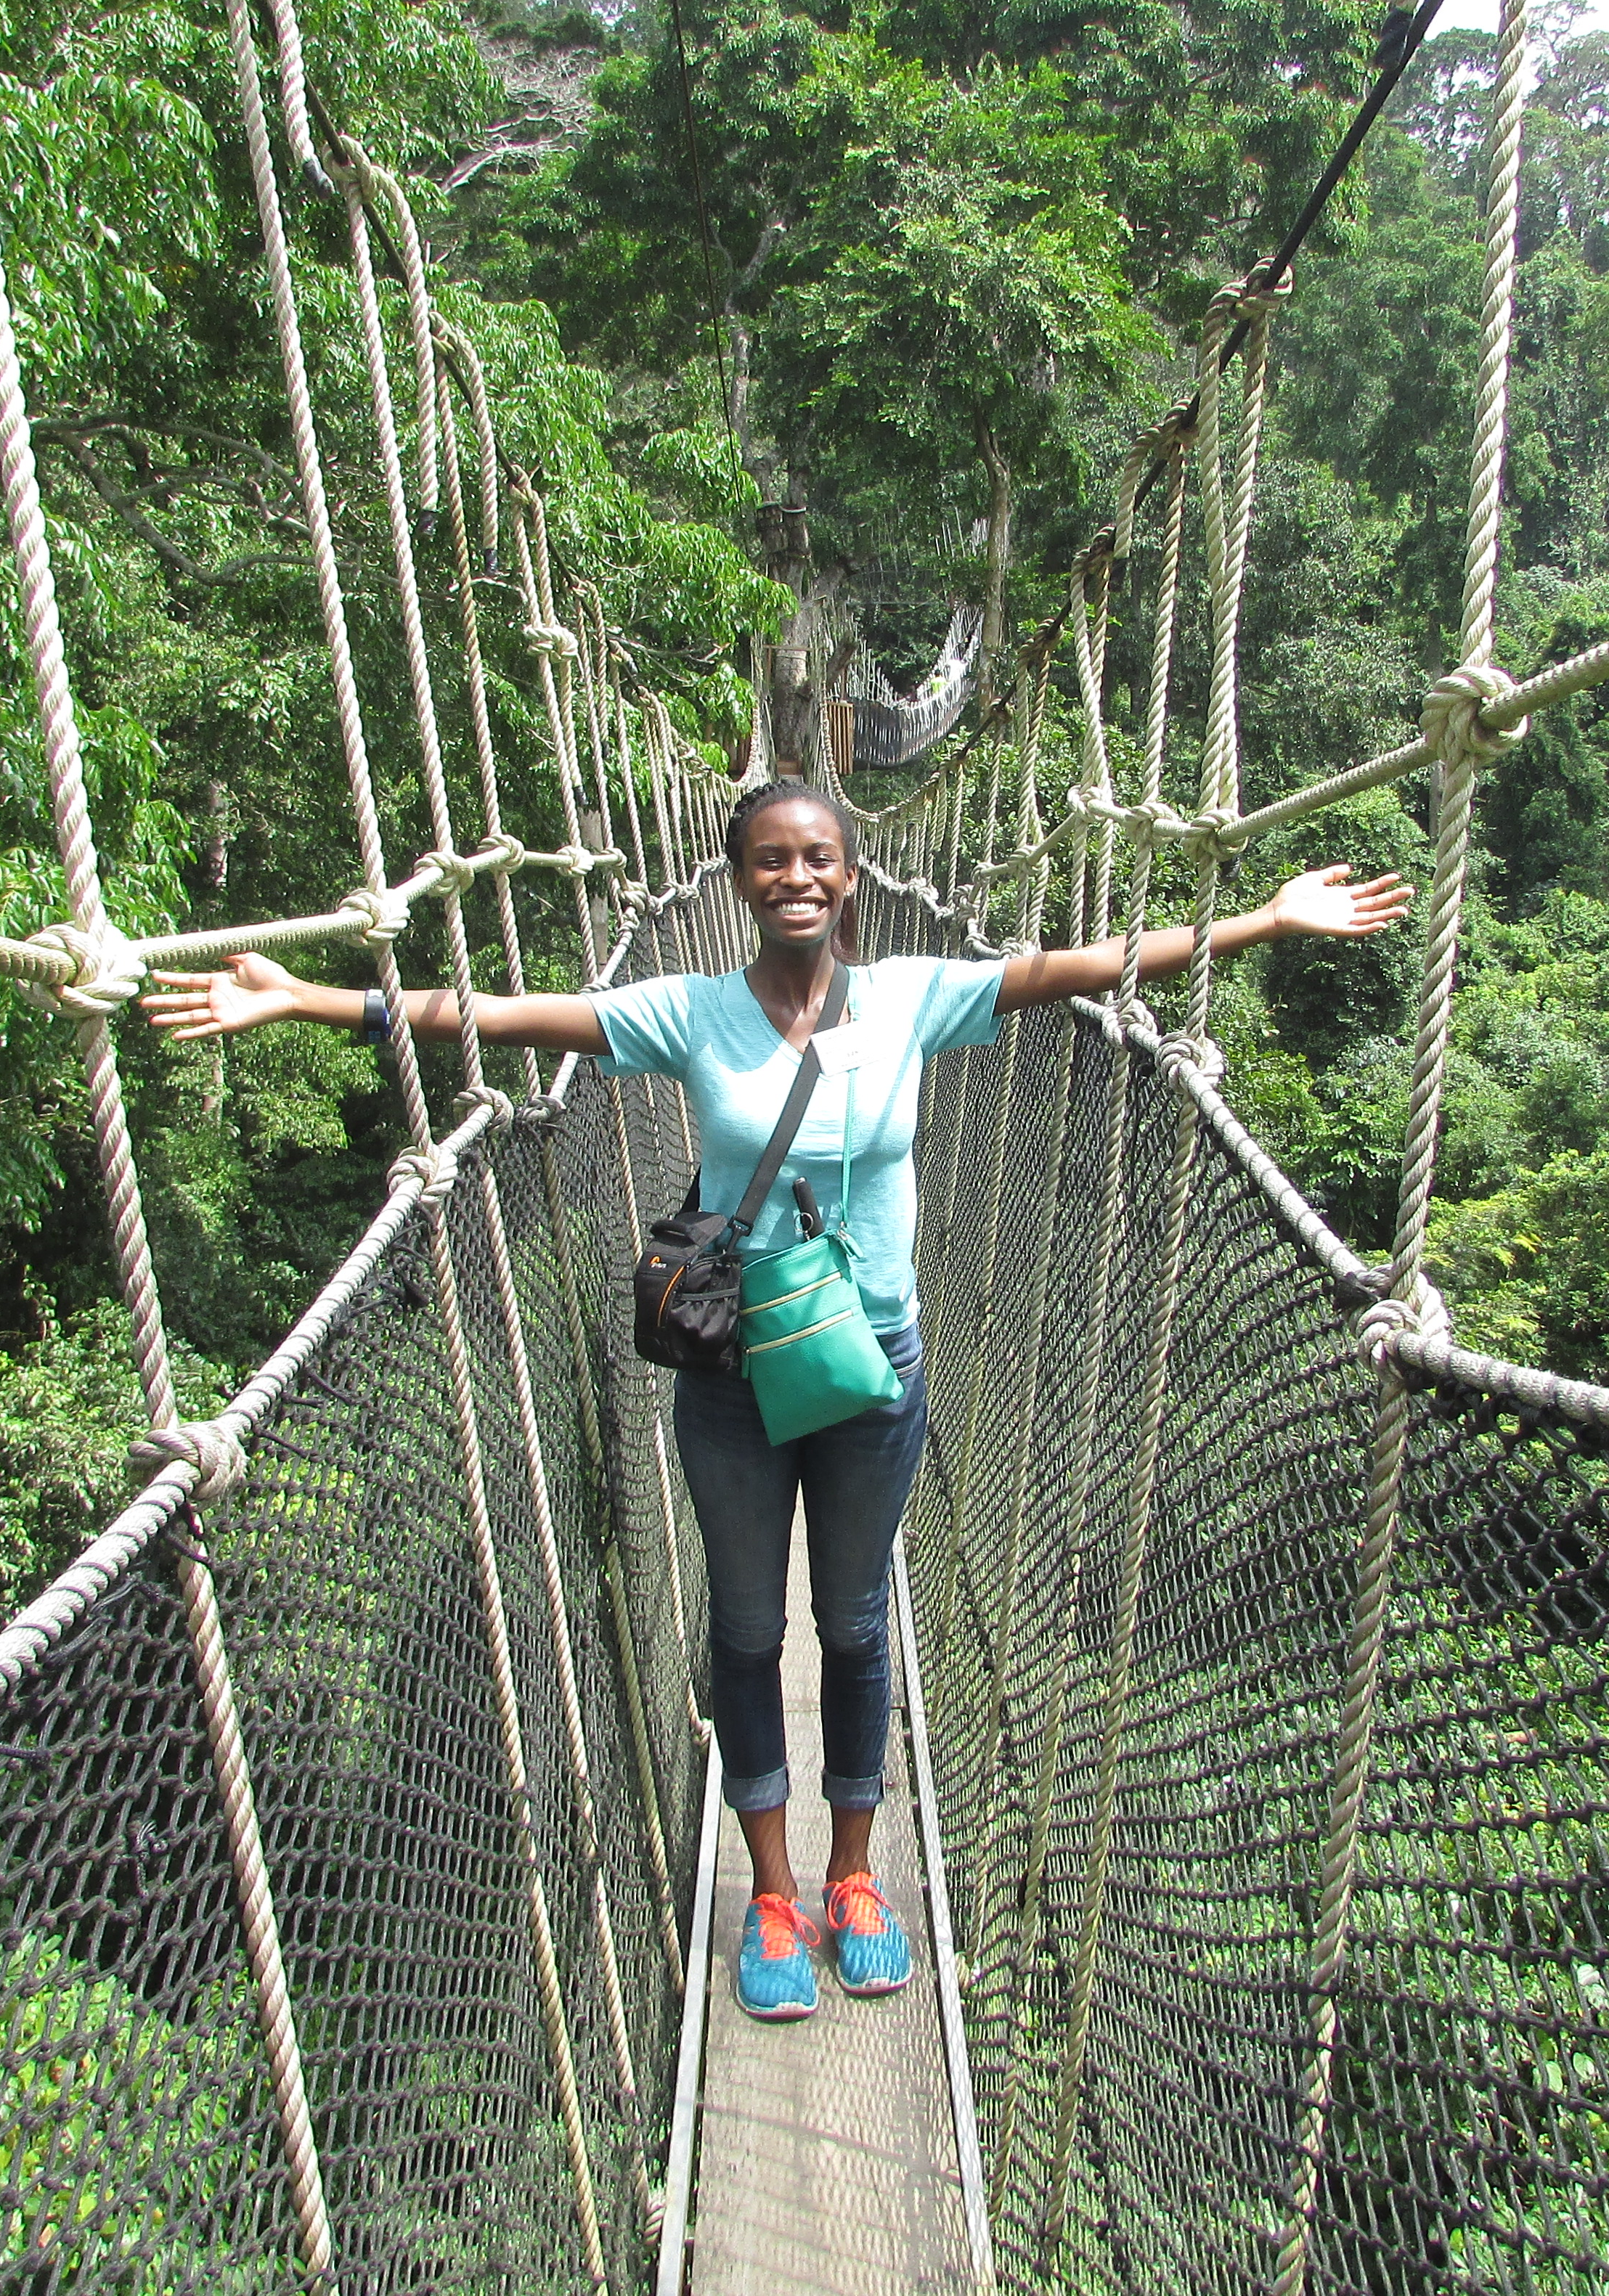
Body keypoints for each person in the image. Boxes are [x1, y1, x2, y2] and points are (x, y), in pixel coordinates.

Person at [146, 780, 1408, 2020]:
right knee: (749, 1632)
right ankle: (770, 1892)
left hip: (877, 1370)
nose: (795, 878)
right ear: (741, 880)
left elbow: (1081, 968)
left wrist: (1267, 920)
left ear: (851, 876)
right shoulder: (693, 1012)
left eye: (817, 858)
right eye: (768, 861)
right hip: (739, 1378)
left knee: (854, 1625)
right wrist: (311, 998)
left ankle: (855, 1877)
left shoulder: (913, 995)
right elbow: (509, 1017)